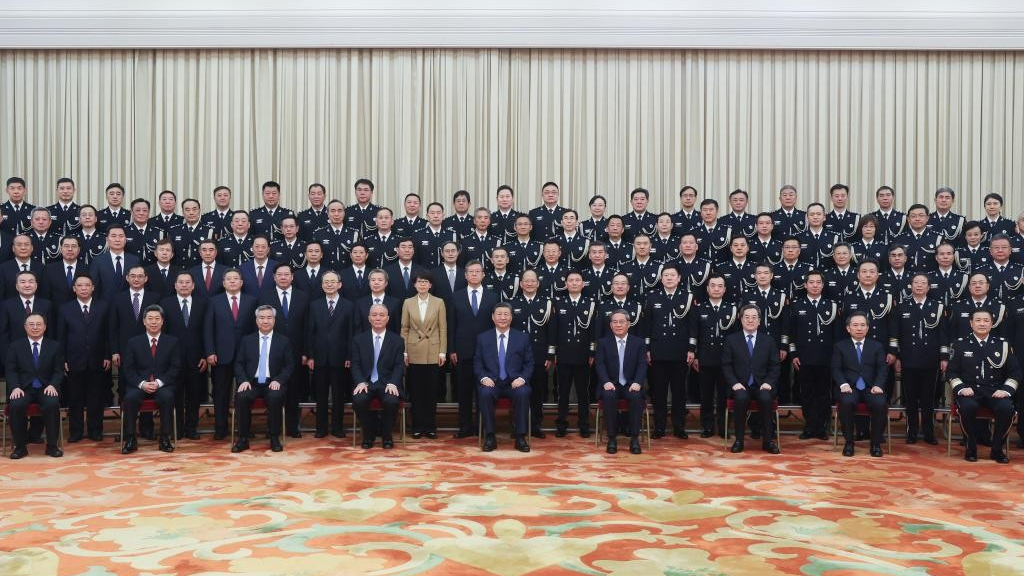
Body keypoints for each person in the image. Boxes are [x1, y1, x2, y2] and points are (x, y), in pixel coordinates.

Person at [946, 309, 1021, 463]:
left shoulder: (1003, 345)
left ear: (992, 324)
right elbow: (951, 373)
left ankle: (997, 449)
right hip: (970, 391)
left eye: (986, 320)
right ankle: (971, 448)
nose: (982, 323)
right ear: (971, 323)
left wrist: (1006, 390)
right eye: (978, 320)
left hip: (995, 391)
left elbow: (1015, 373)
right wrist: (961, 388)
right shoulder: (960, 344)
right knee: (967, 407)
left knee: (1007, 408)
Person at [231, 305, 294, 453]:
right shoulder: (247, 340)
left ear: (274, 320)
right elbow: (238, 363)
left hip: (273, 382)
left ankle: (273, 437)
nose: (265, 321)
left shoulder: (283, 341)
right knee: (242, 397)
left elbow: (289, 366)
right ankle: (243, 439)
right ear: (257, 320)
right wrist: (243, 380)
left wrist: (278, 380)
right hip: (251, 383)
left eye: (269, 317)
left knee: (275, 397)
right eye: (262, 318)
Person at [203, 268, 258, 439]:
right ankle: (221, 429)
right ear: (223, 283)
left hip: (246, 356)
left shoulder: (252, 300)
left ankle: (245, 429)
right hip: (221, 355)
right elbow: (207, 329)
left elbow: (257, 329)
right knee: (220, 393)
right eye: (229, 279)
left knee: (244, 393)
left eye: (236, 278)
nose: (233, 281)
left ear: (242, 282)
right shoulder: (214, 301)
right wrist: (210, 351)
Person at [895, 273, 948, 445]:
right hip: (909, 359)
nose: (919, 285)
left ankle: (928, 431)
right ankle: (911, 431)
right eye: (916, 282)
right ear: (910, 286)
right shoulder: (902, 306)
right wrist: (896, 356)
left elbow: (943, 335)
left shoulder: (937, 307)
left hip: (930, 360)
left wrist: (944, 357)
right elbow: (896, 334)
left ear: (928, 286)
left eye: (923, 283)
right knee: (910, 399)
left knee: (928, 398)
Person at [56, 275, 111, 443]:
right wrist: (62, 358)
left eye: (87, 285)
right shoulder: (65, 308)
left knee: (96, 398)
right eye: (80, 285)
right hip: (73, 360)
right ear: (74, 289)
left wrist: (107, 355)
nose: (84, 288)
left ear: (93, 287)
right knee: (75, 398)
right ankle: (76, 432)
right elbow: (61, 336)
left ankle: (95, 430)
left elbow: (108, 333)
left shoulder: (103, 306)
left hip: (97, 359)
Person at [120, 305, 181, 454]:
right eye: (150, 319)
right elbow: (128, 369)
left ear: (162, 321)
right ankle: (130, 439)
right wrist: (142, 384)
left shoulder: (172, 342)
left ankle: (165, 438)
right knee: (130, 398)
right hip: (139, 384)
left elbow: (175, 367)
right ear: (144, 322)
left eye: (157, 319)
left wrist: (159, 382)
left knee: (167, 397)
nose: (154, 322)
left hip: (163, 384)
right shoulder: (133, 342)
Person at [786, 270, 839, 441]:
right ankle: (809, 425)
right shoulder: (797, 305)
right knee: (807, 393)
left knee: (824, 393)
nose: (815, 285)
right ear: (805, 285)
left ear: (823, 285)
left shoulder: (831, 305)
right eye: (812, 282)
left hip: (826, 357)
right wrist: (793, 353)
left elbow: (837, 335)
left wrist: (836, 356)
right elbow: (791, 332)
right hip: (804, 357)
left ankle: (822, 427)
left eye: (818, 282)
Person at [645, 266, 697, 439]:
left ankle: (678, 427)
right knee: (658, 392)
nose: (669, 278)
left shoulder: (687, 297)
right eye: (665, 275)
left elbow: (692, 326)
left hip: (680, 352)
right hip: (658, 351)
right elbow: (648, 325)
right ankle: (659, 427)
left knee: (679, 392)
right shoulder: (652, 297)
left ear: (679, 278)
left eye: (672, 275)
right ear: (661, 278)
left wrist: (691, 349)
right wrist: (647, 349)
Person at [474, 303, 533, 452]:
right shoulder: (483, 338)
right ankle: (490, 436)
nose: (502, 317)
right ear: (493, 317)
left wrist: (522, 379)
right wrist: (483, 378)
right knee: (485, 393)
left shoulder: (522, 338)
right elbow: (477, 363)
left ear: (511, 317)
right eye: (499, 314)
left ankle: (520, 437)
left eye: (506, 314)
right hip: (491, 382)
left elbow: (529, 363)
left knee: (523, 392)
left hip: (513, 382)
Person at [722, 304, 781, 454]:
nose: (750, 320)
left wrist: (768, 382)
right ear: (741, 320)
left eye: (754, 317)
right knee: (740, 399)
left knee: (766, 398)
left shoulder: (768, 341)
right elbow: (726, 366)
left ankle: (768, 441)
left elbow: (775, 366)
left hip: (762, 385)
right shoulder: (731, 340)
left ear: (759, 321)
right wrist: (734, 383)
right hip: (740, 386)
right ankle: (739, 440)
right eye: (747, 317)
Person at [448, 261, 498, 437]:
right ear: (465, 275)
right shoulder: (456, 296)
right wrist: (452, 349)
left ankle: (483, 426)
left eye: (478, 271)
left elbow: (496, 325)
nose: (475, 274)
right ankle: (465, 427)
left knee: (484, 391)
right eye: (471, 272)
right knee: (464, 391)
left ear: (484, 275)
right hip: (462, 351)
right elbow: (451, 324)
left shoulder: (493, 296)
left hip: (487, 353)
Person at [831, 312, 889, 458]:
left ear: (868, 328)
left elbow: (882, 368)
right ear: (848, 328)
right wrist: (843, 384)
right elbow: (835, 368)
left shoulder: (876, 346)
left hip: (871, 387)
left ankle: (875, 444)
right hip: (850, 387)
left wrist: (879, 385)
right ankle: (849, 443)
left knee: (880, 403)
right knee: (846, 402)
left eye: (863, 325)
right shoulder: (840, 346)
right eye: (855, 325)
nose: (859, 328)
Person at [5, 314, 64, 459]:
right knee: (16, 405)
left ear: (45, 327)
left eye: (39, 324)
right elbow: (11, 370)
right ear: (25, 327)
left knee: (52, 403)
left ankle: (52, 446)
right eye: (31, 324)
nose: (35, 327)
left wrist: (53, 385)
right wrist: (15, 387)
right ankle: (20, 448)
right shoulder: (15, 346)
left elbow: (58, 370)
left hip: (46, 387)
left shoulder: (54, 346)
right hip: (24, 388)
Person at [160, 271, 209, 440]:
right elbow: (163, 333)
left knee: (194, 396)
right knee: (176, 395)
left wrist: (205, 354)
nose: (184, 285)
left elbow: (206, 332)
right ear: (175, 285)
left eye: (188, 282)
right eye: (181, 282)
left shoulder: (203, 303)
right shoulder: (165, 303)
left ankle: (191, 428)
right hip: (173, 360)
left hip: (197, 359)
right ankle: (177, 428)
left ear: (193, 285)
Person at [306, 270, 355, 438]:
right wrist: (310, 355)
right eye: (326, 282)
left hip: (340, 358)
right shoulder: (314, 305)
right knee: (320, 396)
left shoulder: (349, 305)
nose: (329, 284)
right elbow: (310, 332)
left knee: (338, 396)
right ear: (322, 285)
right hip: (319, 358)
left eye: (333, 281)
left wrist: (349, 356)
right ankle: (321, 428)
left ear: (339, 285)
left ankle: (337, 427)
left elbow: (351, 333)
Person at [351, 304, 406, 449]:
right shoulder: (358, 340)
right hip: (367, 383)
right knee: (359, 399)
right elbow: (355, 364)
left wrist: (393, 382)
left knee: (392, 401)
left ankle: (387, 436)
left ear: (387, 318)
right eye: (374, 315)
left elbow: (399, 365)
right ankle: (368, 435)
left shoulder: (397, 340)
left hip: (387, 383)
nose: (378, 318)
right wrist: (361, 382)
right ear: (369, 318)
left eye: (381, 315)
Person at [401, 271, 447, 439]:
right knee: (416, 391)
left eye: (425, 282)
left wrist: (442, 351)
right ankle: (417, 426)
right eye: (419, 282)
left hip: (433, 351)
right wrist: (404, 351)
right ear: (414, 285)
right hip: (414, 351)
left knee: (431, 391)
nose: (422, 284)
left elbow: (443, 328)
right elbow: (404, 329)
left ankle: (430, 426)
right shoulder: (408, 303)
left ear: (430, 285)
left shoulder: (439, 302)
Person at [594, 309, 647, 454]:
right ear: (610, 325)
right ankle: (612, 438)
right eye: (615, 322)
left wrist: (637, 382)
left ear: (628, 324)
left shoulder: (639, 343)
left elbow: (643, 364)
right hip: (611, 383)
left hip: (631, 384)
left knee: (637, 398)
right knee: (609, 396)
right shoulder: (603, 342)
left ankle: (634, 439)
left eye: (622, 322)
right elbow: (600, 364)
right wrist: (605, 381)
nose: (618, 325)